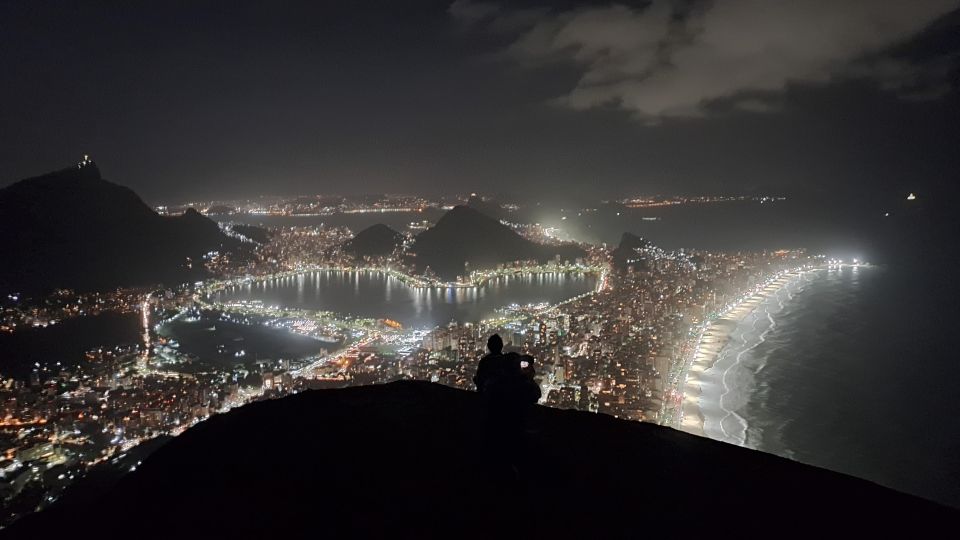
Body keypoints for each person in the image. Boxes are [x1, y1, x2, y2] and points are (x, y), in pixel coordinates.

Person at [473, 334, 541, 480]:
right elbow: (535, 394)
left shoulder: (486, 363)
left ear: (488, 346)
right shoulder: (508, 366)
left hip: (492, 415)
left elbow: (479, 381)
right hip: (511, 418)